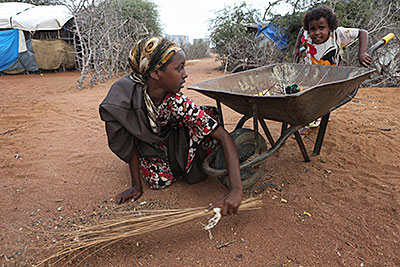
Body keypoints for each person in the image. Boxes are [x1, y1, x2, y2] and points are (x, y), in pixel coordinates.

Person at [99, 37, 243, 216]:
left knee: (210, 137)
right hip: (156, 143)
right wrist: (136, 185)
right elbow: (131, 137)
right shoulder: (127, 97)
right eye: (179, 67)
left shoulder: (177, 103)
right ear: (156, 73)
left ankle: (192, 150)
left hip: (178, 133)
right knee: (158, 181)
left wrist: (236, 189)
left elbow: (224, 136)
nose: (185, 74)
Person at [292, 5, 372, 134]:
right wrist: (296, 48)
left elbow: (363, 33)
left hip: (330, 76)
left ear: (330, 26)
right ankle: (307, 119)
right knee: (305, 96)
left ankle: (312, 119)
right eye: (313, 29)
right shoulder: (307, 34)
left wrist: (361, 53)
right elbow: (302, 30)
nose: (317, 32)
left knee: (320, 99)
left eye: (321, 27)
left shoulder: (338, 34)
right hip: (309, 75)